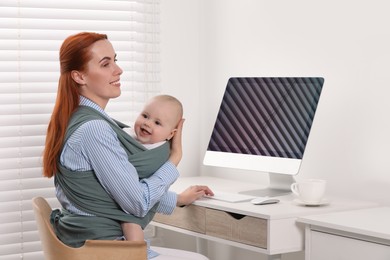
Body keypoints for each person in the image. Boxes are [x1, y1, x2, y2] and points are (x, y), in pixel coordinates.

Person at [42, 31, 213, 259]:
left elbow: (112, 191)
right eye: (105, 64)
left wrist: (178, 199)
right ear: (79, 77)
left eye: (115, 60)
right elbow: (138, 204)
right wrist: (174, 158)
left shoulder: (77, 118)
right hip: (107, 249)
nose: (118, 70)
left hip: (91, 244)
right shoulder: (95, 130)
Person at [122, 94, 184, 242]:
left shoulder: (161, 153)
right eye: (145, 116)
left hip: (130, 205)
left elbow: (152, 190)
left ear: (171, 134)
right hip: (121, 197)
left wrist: (179, 199)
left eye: (157, 122)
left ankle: (136, 255)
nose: (147, 123)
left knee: (132, 225)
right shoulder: (124, 135)